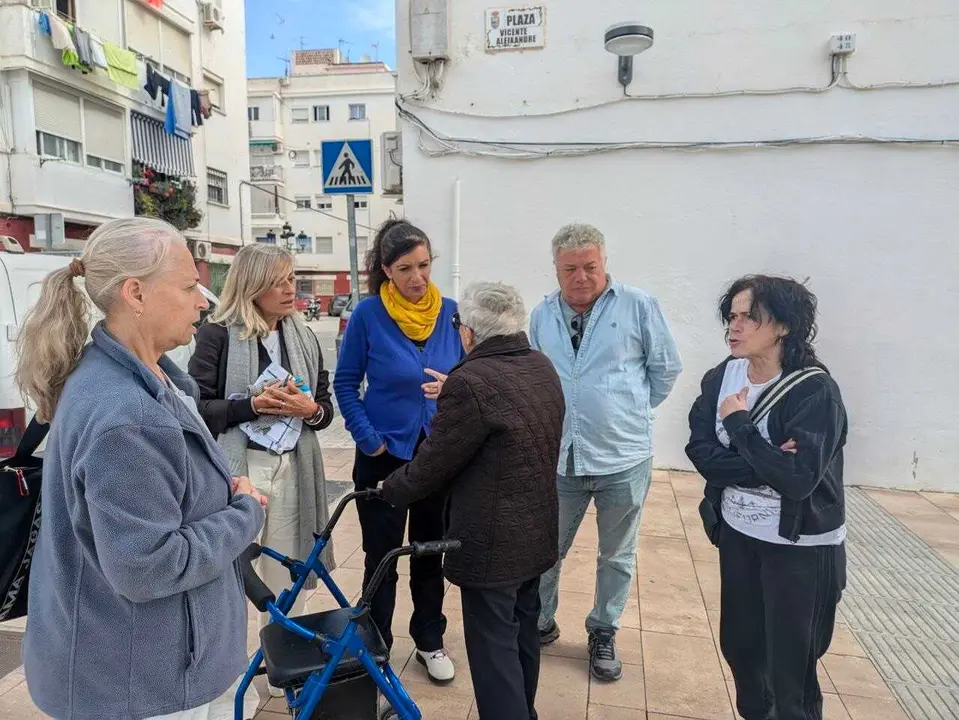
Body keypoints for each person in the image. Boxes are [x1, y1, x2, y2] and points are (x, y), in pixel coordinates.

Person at [17, 218, 267, 720]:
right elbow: (147, 565)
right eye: (188, 285)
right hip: (140, 686)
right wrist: (244, 512)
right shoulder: (128, 416)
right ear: (136, 293)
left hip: (136, 666)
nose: (204, 300)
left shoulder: (138, 377)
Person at [380, 282, 564, 720]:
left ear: (468, 333)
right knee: (521, 633)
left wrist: (389, 489)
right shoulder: (540, 365)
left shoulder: (470, 381)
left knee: (493, 648)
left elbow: (432, 465)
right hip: (536, 532)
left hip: (492, 542)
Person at [686, 275, 848, 720]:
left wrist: (738, 427)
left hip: (799, 551)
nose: (735, 327)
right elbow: (699, 450)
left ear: (783, 326)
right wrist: (765, 461)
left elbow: (798, 480)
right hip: (738, 534)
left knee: (789, 670)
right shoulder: (723, 375)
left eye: (749, 317)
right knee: (740, 648)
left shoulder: (814, 391)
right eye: (732, 316)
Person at [530, 222, 682, 682]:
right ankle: (538, 622)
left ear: (604, 263)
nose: (581, 277)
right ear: (556, 270)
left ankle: (603, 629)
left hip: (623, 457)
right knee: (545, 549)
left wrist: (626, 413)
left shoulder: (638, 306)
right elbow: (536, 375)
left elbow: (665, 371)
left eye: (590, 267)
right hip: (561, 456)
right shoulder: (541, 315)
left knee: (617, 554)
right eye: (570, 269)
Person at [188, 243, 334, 678]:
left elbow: (323, 408)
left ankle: (286, 668)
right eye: (280, 281)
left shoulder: (303, 335)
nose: (291, 289)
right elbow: (197, 408)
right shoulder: (217, 333)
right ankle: (227, 673)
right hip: (239, 469)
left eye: (292, 279)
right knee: (233, 572)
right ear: (252, 284)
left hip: (292, 466)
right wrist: (253, 406)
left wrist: (311, 412)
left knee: (286, 572)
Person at [333, 219, 462, 683]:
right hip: (383, 456)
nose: (417, 277)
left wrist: (454, 387)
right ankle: (377, 645)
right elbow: (345, 383)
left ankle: (429, 640)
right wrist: (370, 439)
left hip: (435, 457)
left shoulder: (450, 313)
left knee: (430, 552)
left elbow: (466, 379)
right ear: (386, 270)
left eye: (424, 265)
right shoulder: (368, 315)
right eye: (405, 268)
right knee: (380, 556)